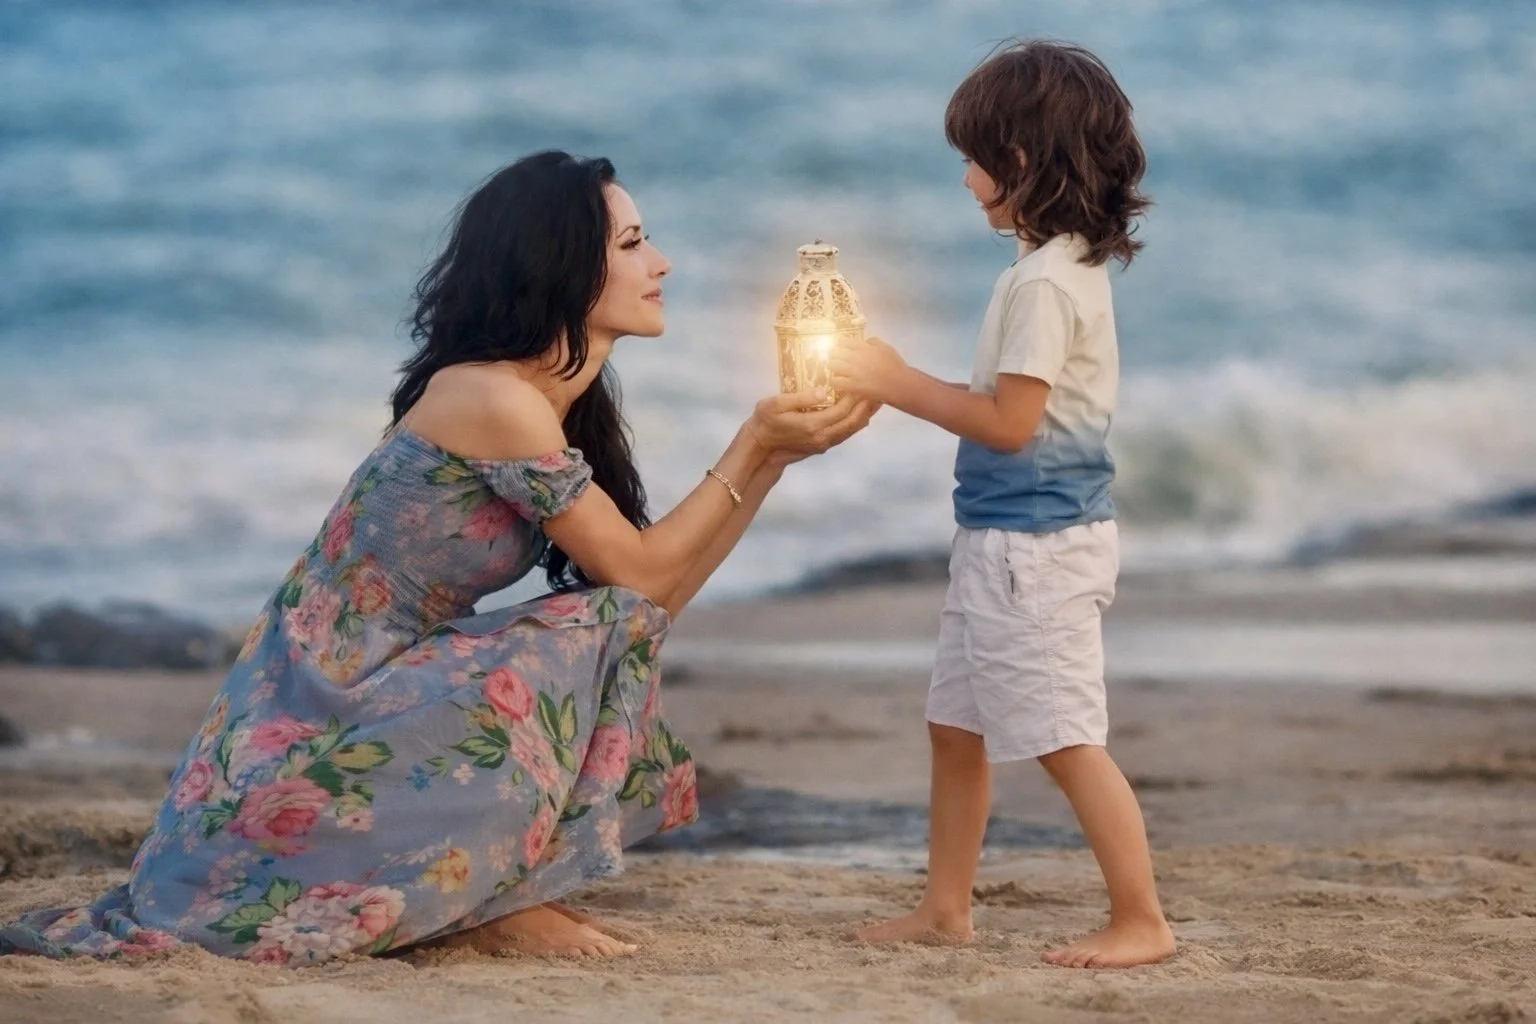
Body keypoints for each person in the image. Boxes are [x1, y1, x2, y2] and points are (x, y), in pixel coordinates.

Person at [0, 150, 874, 964]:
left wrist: (769, 458)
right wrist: (752, 441)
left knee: (606, 622)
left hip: (381, 685)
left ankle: (498, 895)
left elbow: (648, 602)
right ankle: (499, 905)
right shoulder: (491, 397)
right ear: (563, 265)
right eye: (636, 244)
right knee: (589, 621)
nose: (664, 264)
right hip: (318, 715)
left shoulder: (552, 402)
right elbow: (637, 581)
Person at [829, 41, 1176, 969]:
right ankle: (946, 908)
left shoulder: (1045, 285)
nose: (965, 179)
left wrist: (896, 382)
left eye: (972, 158)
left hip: (1037, 548)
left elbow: (1011, 423)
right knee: (957, 725)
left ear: (1020, 164)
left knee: (1064, 735)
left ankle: (1142, 916)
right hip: (1003, 541)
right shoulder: (1050, 271)